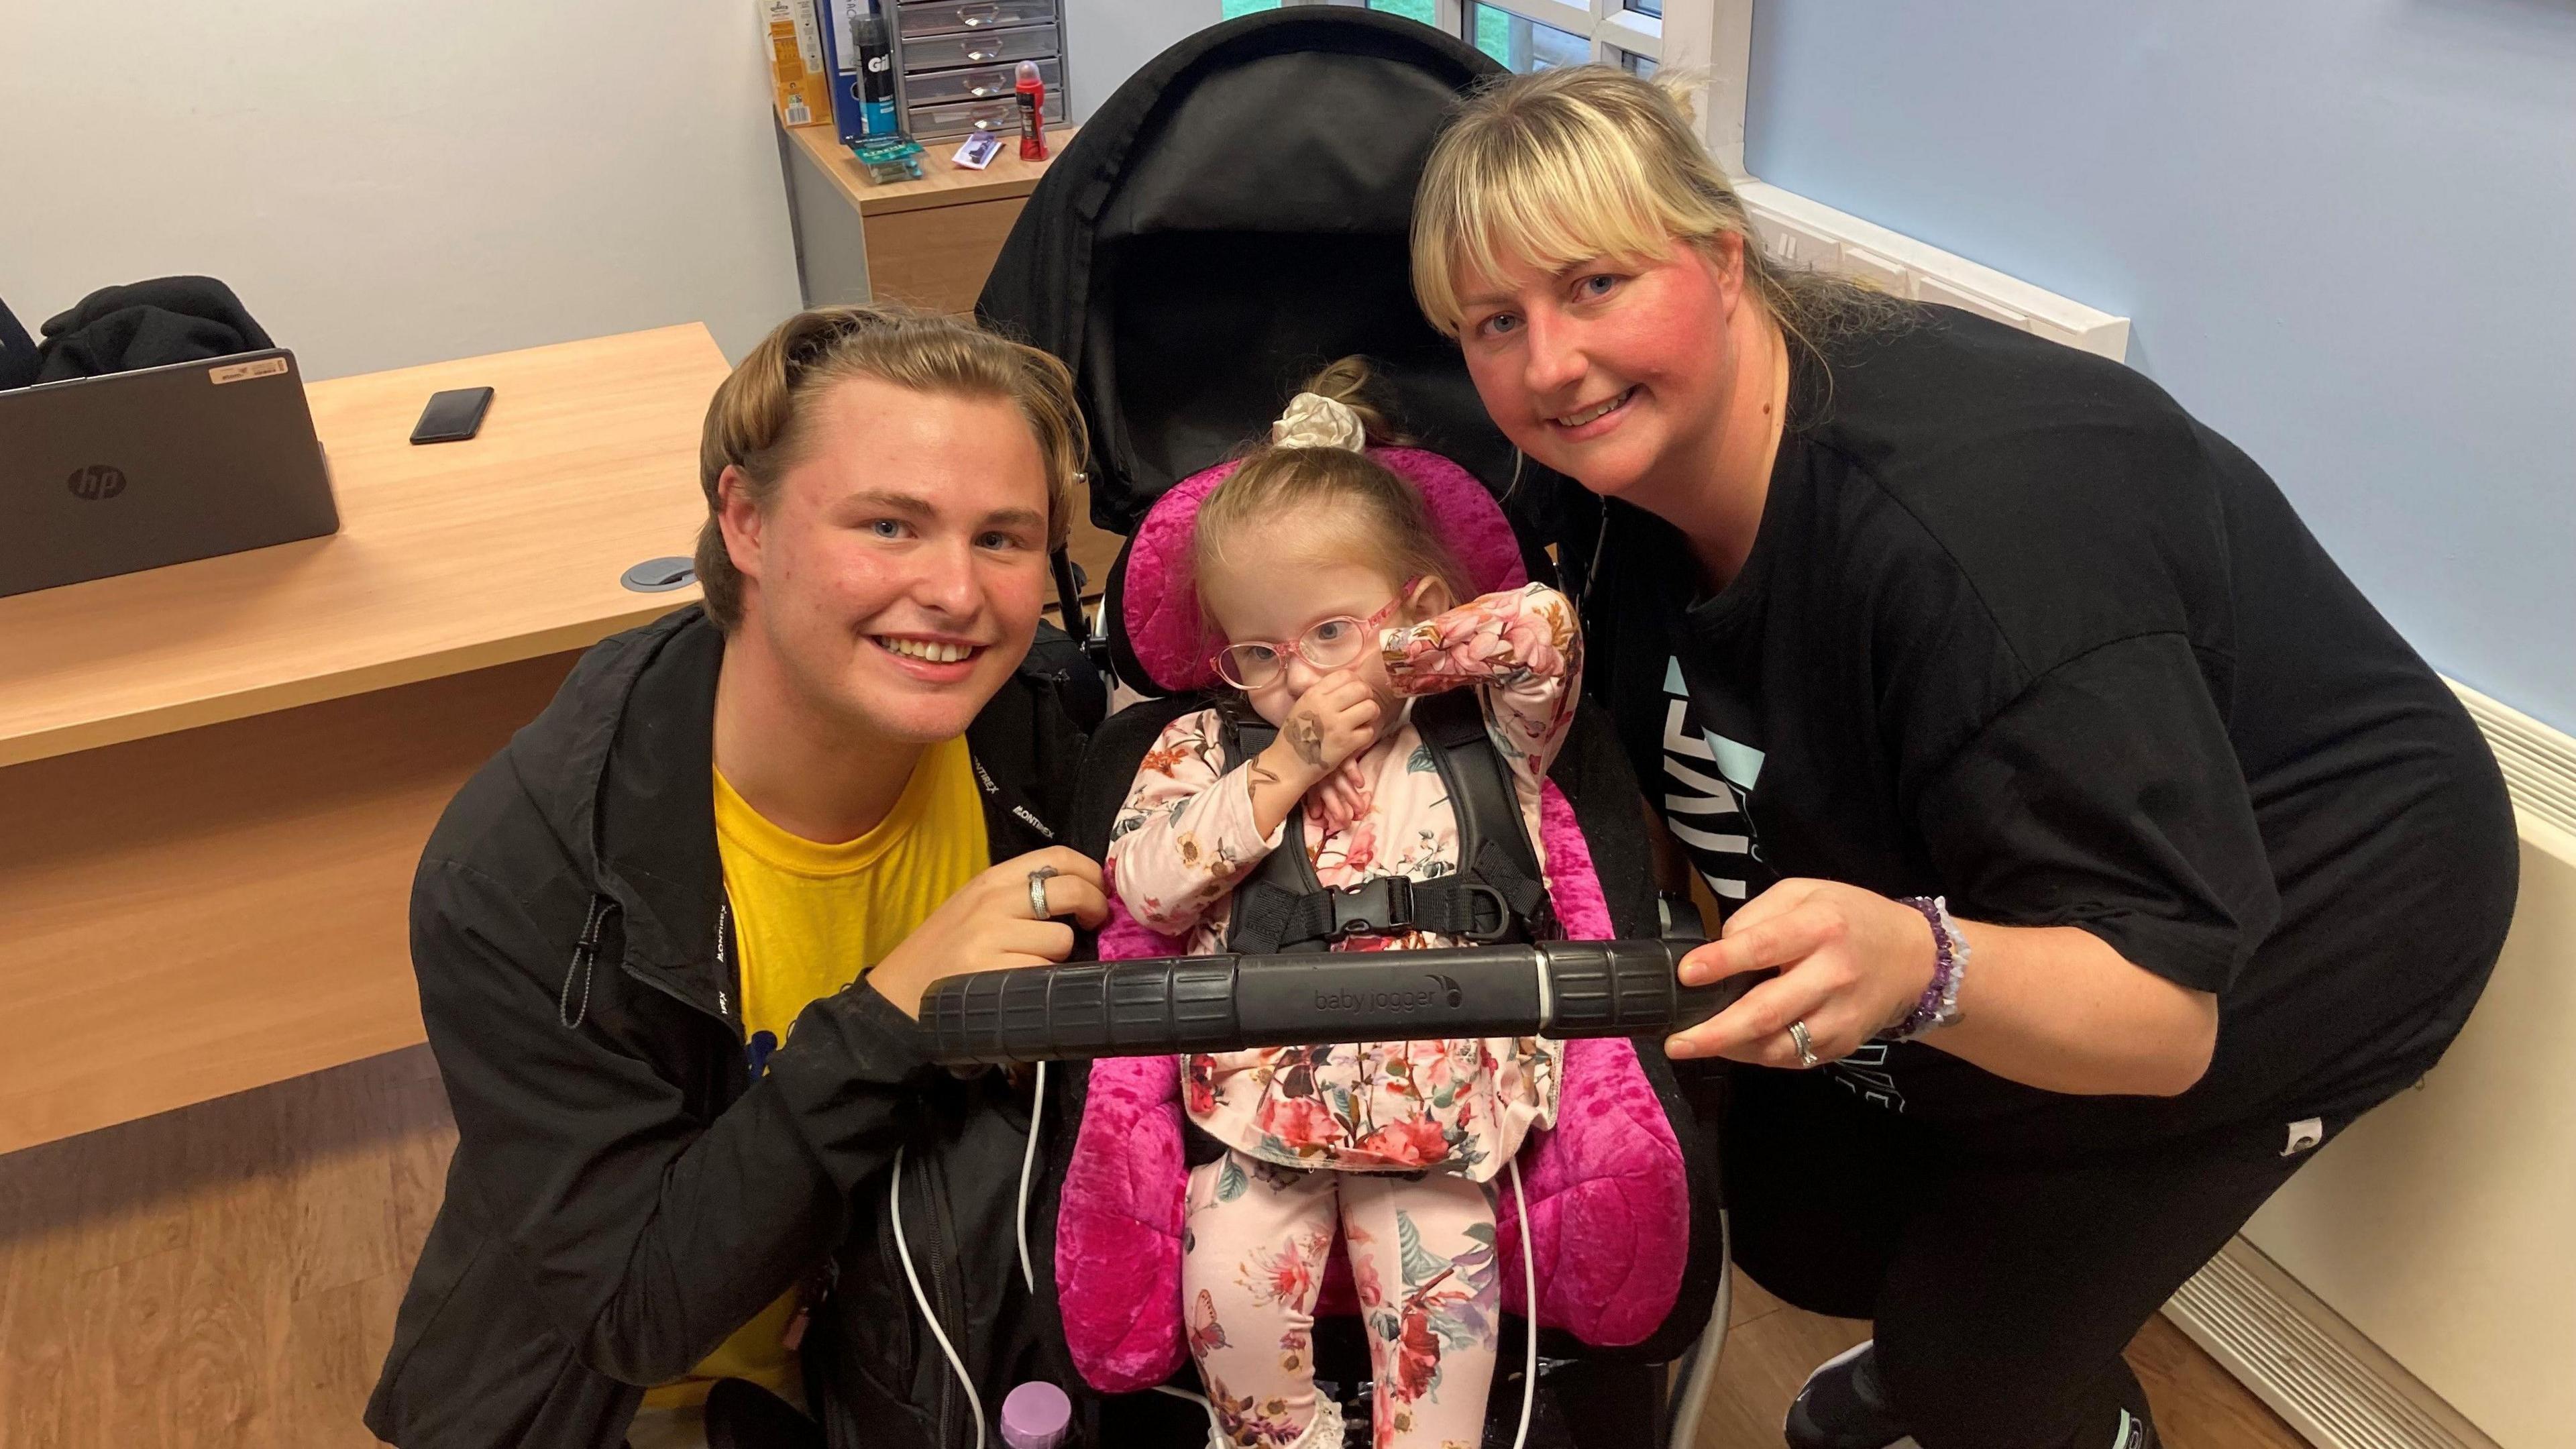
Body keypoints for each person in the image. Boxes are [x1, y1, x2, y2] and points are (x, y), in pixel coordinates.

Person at [1411, 66, 2519, 1449]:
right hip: (2028, 842)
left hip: (2320, 899)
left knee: (1971, 1369)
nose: (1548, 366)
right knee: (1803, 1223)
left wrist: (1923, 966)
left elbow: (2166, 1018)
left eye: (1595, 286)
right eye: (1493, 323)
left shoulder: (1975, 536)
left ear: (1724, 257)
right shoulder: (1614, 484)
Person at [364, 305, 1112, 1449]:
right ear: (747, 520)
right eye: (891, 526)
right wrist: (894, 1018)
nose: (958, 594)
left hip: (942, 1322)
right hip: (644, 1394)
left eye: (1003, 539)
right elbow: (636, 1310)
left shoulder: (1033, 727)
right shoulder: (521, 876)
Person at [1099, 361, 1584, 1449]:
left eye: (1326, 632)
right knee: (1228, 1306)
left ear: (1412, 610)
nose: (1296, 675)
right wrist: (1287, 758)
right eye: (1259, 653)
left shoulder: (1485, 734)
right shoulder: (1208, 746)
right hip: (1265, 1118)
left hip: (1441, 1121)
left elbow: (1542, 630)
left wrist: (1394, 660)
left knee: (1442, 1377)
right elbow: (1149, 887)